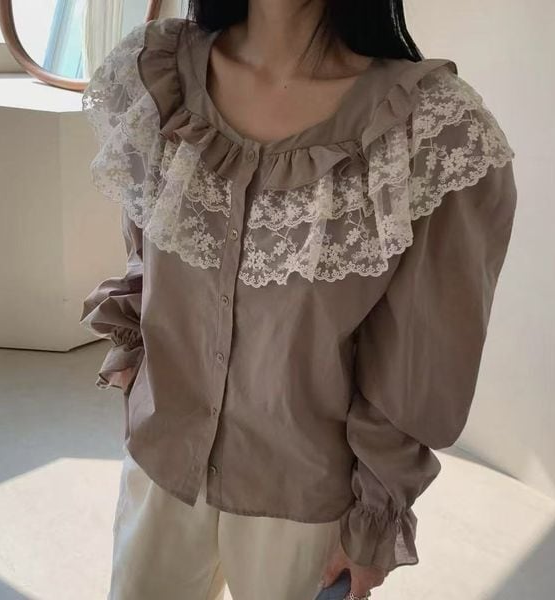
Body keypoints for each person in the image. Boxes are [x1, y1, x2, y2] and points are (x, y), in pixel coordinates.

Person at [79, 1, 517, 599]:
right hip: (161, 459)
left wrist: (375, 514)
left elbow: (424, 354)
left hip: (307, 501)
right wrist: (137, 359)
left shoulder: (432, 130)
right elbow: (144, 250)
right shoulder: (156, 72)